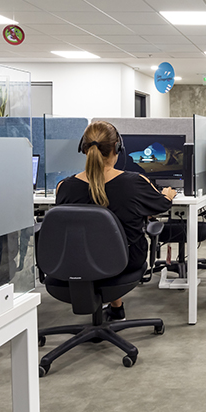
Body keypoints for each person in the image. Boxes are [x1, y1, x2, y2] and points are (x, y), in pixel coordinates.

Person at [56, 121, 176, 321]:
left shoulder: (64, 187)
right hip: (124, 261)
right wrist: (168, 195)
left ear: (83, 149)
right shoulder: (135, 182)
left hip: (76, 261)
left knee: (96, 246)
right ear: (117, 148)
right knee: (111, 247)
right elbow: (161, 205)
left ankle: (116, 308)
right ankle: (114, 308)